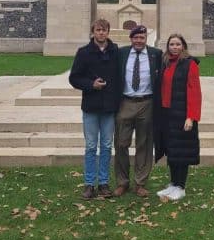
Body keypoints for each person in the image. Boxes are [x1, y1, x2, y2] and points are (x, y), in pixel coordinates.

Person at [69, 18, 120, 199]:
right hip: (91, 106)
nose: (101, 33)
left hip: (109, 107)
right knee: (91, 146)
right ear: (93, 32)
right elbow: (74, 78)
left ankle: (104, 183)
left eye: (104, 30)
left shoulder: (115, 52)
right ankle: (89, 184)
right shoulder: (83, 53)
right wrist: (91, 84)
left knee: (106, 146)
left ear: (108, 32)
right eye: (98, 30)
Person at [113, 24, 162, 197]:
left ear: (146, 38)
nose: (139, 41)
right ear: (131, 38)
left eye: (142, 37)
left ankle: (140, 183)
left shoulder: (156, 54)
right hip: (125, 102)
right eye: (136, 37)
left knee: (144, 144)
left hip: (146, 103)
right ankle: (122, 182)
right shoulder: (121, 53)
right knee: (120, 143)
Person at [154, 33, 202, 201]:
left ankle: (181, 186)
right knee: (172, 151)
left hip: (182, 115)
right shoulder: (166, 63)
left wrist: (191, 117)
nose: (174, 47)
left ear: (183, 46)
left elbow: (194, 91)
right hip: (167, 114)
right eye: (171, 44)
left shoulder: (190, 64)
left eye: (177, 44)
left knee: (182, 152)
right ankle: (173, 183)